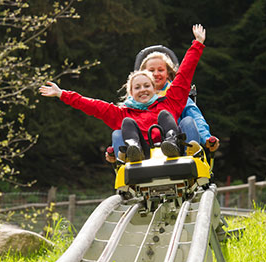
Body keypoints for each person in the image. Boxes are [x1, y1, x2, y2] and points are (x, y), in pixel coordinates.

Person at [39, 24, 206, 162]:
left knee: (165, 115)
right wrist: (62, 94)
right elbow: (93, 106)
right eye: (138, 87)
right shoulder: (123, 113)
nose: (143, 90)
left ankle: (172, 142)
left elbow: (184, 73)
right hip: (145, 153)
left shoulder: (168, 101)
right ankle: (133, 148)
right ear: (131, 93)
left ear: (154, 88)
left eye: (147, 86)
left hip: (170, 148)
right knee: (126, 123)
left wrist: (197, 44)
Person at [106, 46, 219, 162]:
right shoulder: (133, 103)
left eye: (160, 70)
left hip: (177, 142)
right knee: (117, 133)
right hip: (143, 147)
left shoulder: (175, 96)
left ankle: (190, 157)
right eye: (151, 70)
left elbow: (196, 117)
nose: (156, 74)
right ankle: (125, 158)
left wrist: (206, 138)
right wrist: (114, 149)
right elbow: (123, 125)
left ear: (168, 73)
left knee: (188, 121)